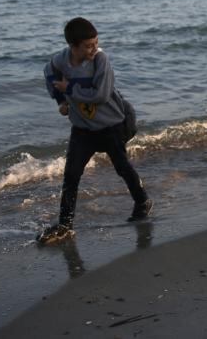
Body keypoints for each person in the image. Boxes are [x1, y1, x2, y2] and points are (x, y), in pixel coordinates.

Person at [38, 17, 152, 243]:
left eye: (96, 43)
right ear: (73, 46)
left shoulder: (101, 61)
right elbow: (48, 72)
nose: (94, 48)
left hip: (111, 125)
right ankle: (65, 224)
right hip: (82, 129)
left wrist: (69, 88)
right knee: (71, 175)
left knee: (122, 167)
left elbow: (100, 95)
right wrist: (60, 100)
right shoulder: (60, 61)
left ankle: (142, 201)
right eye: (88, 45)